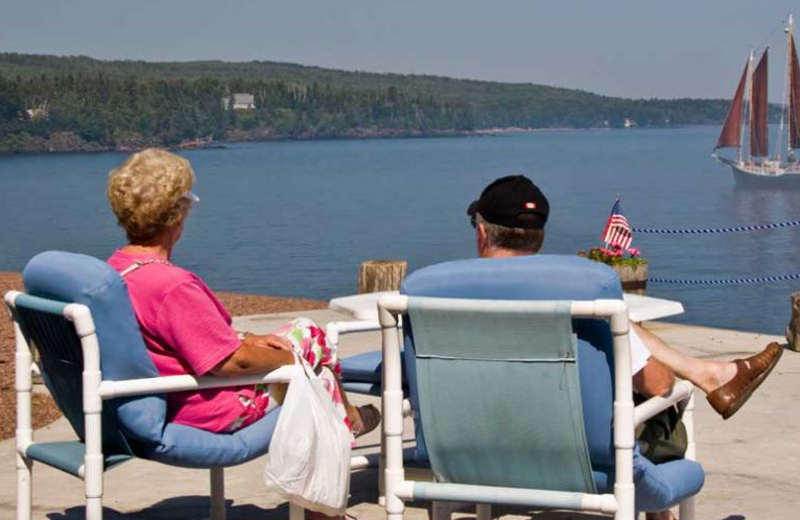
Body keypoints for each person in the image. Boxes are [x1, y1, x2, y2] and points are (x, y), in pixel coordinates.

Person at [466, 175, 782, 519]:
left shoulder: (434, 294)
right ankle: (708, 377)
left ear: (482, 233)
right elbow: (659, 384)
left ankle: (711, 374)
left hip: (466, 456)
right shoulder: (576, 296)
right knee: (655, 397)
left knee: (619, 331)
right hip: (573, 461)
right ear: (540, 237)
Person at [105, 149, 379, 517]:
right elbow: (232, 363)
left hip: (166, 395)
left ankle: (346, 432)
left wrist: (248, 340)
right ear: (177, 214)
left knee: (307, 340)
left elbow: (185, 342)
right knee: (316, 367)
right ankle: (344, 447)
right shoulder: (170, 286)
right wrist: (293, 359)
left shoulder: (119, 270)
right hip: (209, 406)